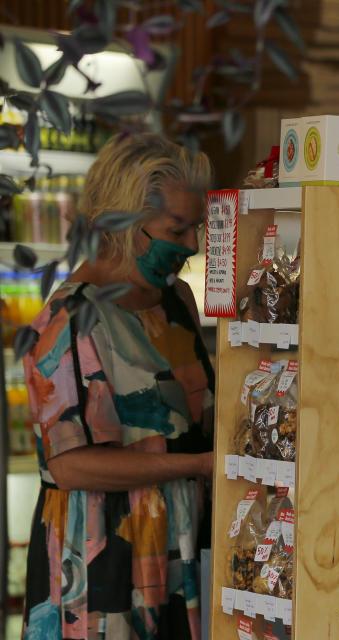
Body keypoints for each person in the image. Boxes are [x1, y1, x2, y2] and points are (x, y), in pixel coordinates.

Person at [21, 133, 215, 640]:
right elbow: (70, 465)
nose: (192, 244)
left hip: (182, 550)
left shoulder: (179, 304)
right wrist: (199, 465)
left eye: (197, 226)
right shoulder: (66, 321)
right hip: (101, 562)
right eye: (178, 228)